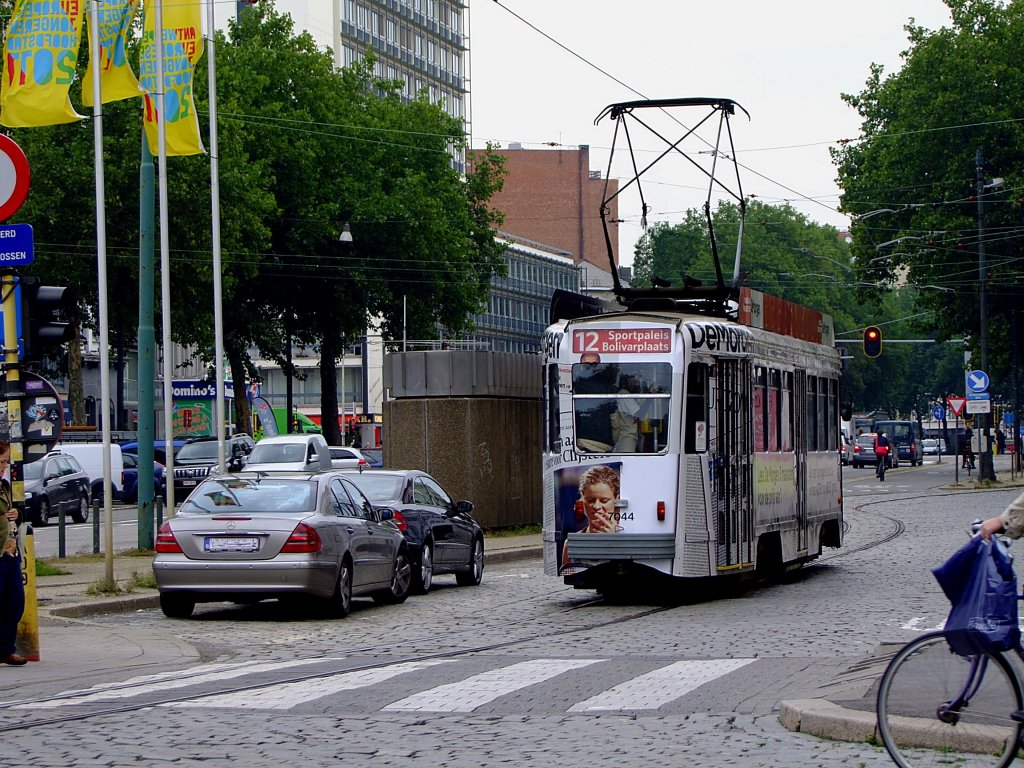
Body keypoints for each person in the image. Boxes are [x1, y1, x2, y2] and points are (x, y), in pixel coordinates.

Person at [560, 464, 621, 568]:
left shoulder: (628, 537)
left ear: (616, 500)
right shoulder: (571, 544)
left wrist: (617, 542)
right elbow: (569, 578)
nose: (597, 506)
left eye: (604, 501)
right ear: (582, 501)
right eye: (590, 500)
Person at [0, 441, 26, 665]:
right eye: (1, 461)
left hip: (9, 551)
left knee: (15, 601)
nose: (4, 466)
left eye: (6, 462)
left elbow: (17, 514)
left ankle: (5, 648)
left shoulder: (5, 486)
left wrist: (17, 514)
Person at [611, 375, 642, 452]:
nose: (635, 381)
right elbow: (639, 413)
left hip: (631, 434)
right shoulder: (623, 393)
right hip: (626, 436)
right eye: (631, 378)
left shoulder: (630, 395)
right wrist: (650, 398)